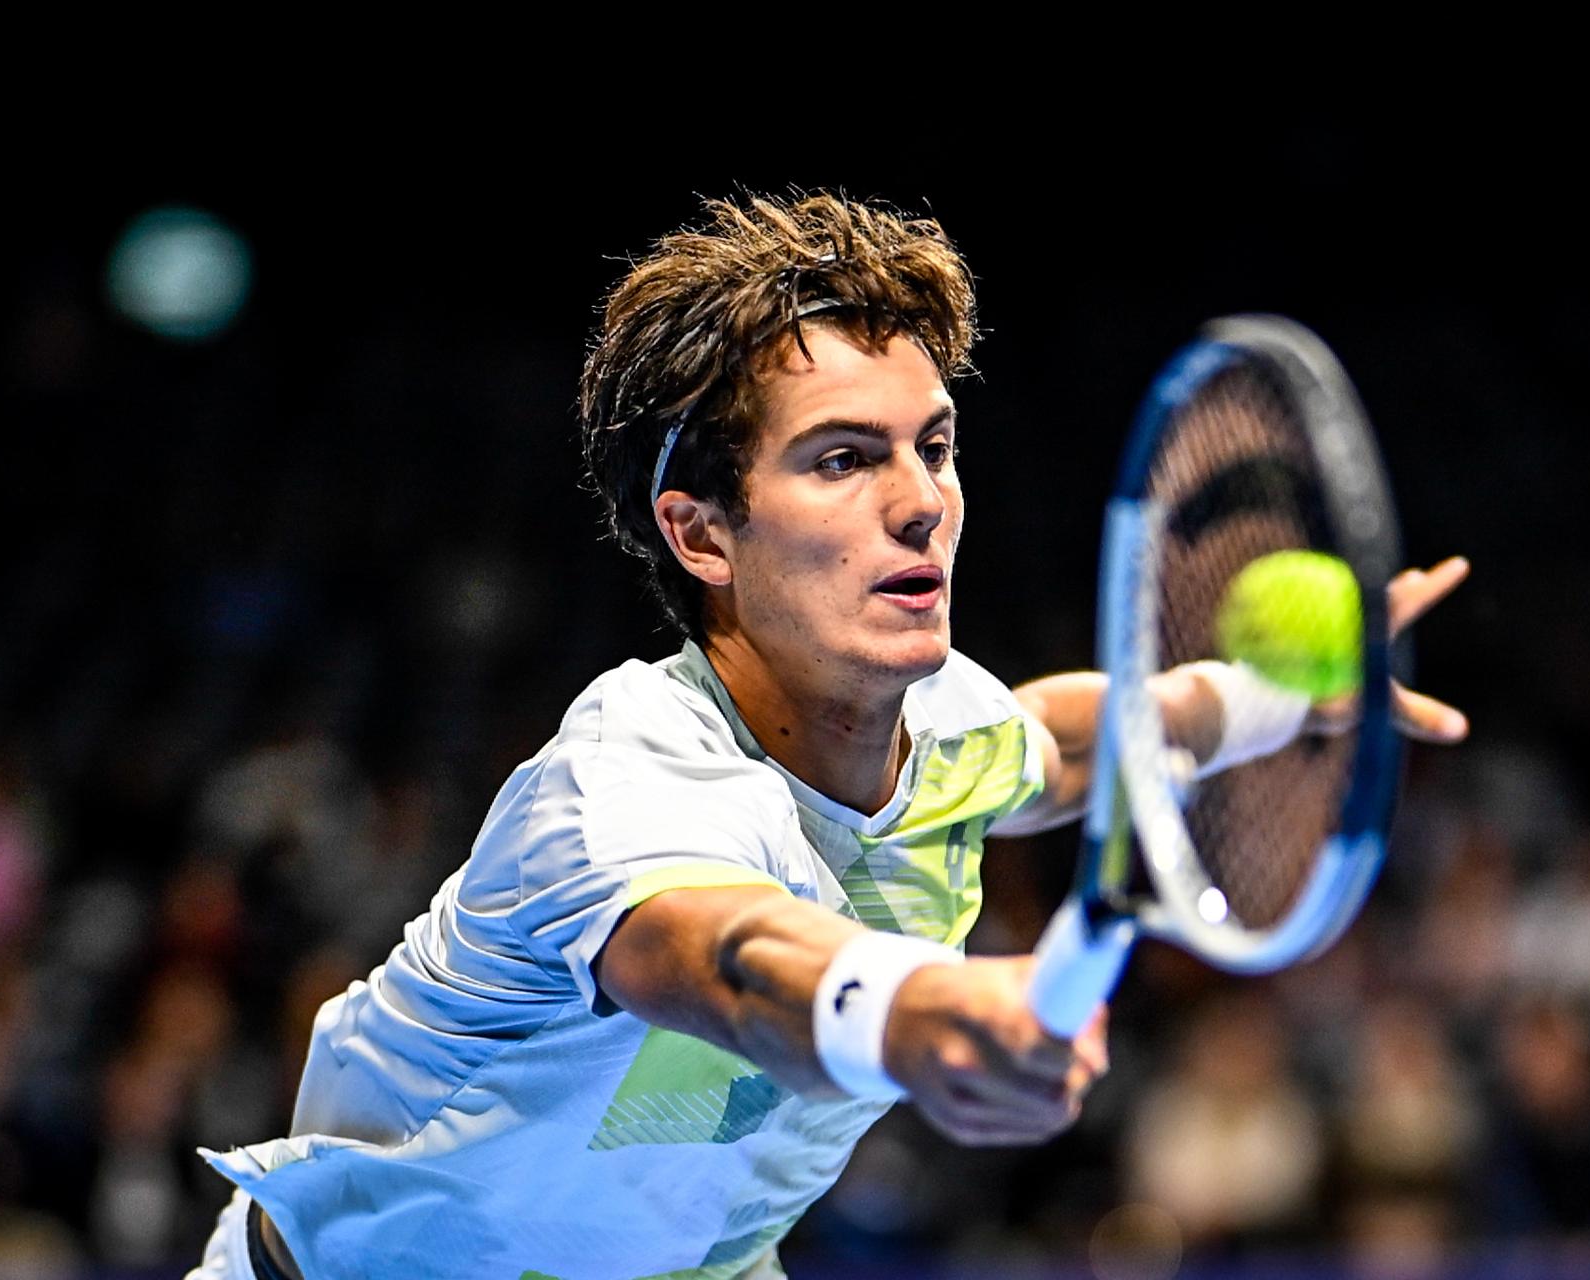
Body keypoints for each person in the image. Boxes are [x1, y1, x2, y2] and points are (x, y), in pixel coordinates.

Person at [190, 192, 1469, 1280]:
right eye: (845, 458)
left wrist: (1281, 701)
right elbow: (731, 956)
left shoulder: (940, 724)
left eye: (936, 445)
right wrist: (917, 1009)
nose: (921, 502)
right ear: (701, 532)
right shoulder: (627, 777)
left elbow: (1065, 739)